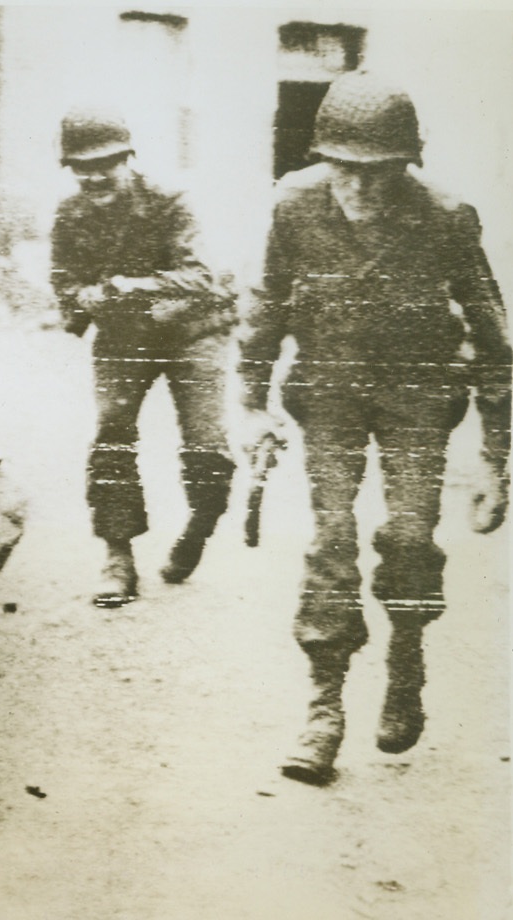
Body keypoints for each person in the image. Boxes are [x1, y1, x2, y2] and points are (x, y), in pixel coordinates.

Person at [239, 72, 511, 785]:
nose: (358, 186)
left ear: (404, 166)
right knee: (332, 539)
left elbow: (493, 337)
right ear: (322, 159)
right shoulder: (294, 204)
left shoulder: (447, 215)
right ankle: (324, 707)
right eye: (343, 168)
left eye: (377, 172)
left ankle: (407, 655)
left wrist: (496, 457)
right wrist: (253, 402)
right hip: (329, 390)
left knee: (410, 537)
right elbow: (267, 301)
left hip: (418, 395)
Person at [51, 107, 237, 608]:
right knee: (112, 434)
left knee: (206, 445)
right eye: (80, 167)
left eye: (104, 165)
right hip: (124, 335)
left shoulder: (169, 201)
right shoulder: (70, 214)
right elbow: (63, 278)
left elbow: (200, 277)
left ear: (127, 159)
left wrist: (130, 286)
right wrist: (82, 297)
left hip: (193, 329)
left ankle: (200, 525)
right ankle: (118, 557)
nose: (93, 177)